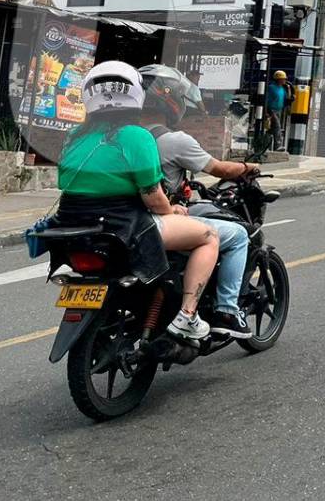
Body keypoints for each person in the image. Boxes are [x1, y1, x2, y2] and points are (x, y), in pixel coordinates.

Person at [48, 61, 219, 342]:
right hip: (124, 224)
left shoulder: (74, 135)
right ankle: (187, 316)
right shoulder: (137, 136)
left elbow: (64, 181)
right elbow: (153, 197)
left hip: (72, 221)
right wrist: (173, 210)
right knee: (209, 236)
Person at [138, 64, 260, 338]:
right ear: (171, 99)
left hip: (117, 220)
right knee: (236, 235)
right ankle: (224, 311)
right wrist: (247, 167)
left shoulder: (115, 136)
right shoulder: (172, 141)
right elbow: (219, 169)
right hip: (153, 220)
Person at [265, 70, 294, 151]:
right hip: (271, 110)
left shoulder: (282, 89)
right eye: (283, 79)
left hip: (279, 110)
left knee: (271, 129)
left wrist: (291, 97)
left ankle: (263, 144)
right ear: (278, 79)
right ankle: (278, 145)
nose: (285, 80)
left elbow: (285, 99)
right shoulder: (271, 88)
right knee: (277, 126)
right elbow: (266, 99)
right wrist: (266, 111)